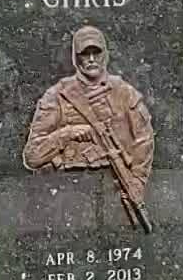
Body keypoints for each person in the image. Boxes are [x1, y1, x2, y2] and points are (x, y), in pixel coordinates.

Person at [23, 25, 154, 227]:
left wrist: (136, 180)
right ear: (76, 58)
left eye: (96, 52)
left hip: (114, 188)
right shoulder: (57, 96)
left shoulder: (124, 93)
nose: (91, 59)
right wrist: (67, 134)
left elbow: (144, 138)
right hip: (67, 192)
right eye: (85, 54)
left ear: (105, 55)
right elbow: (32, 157)